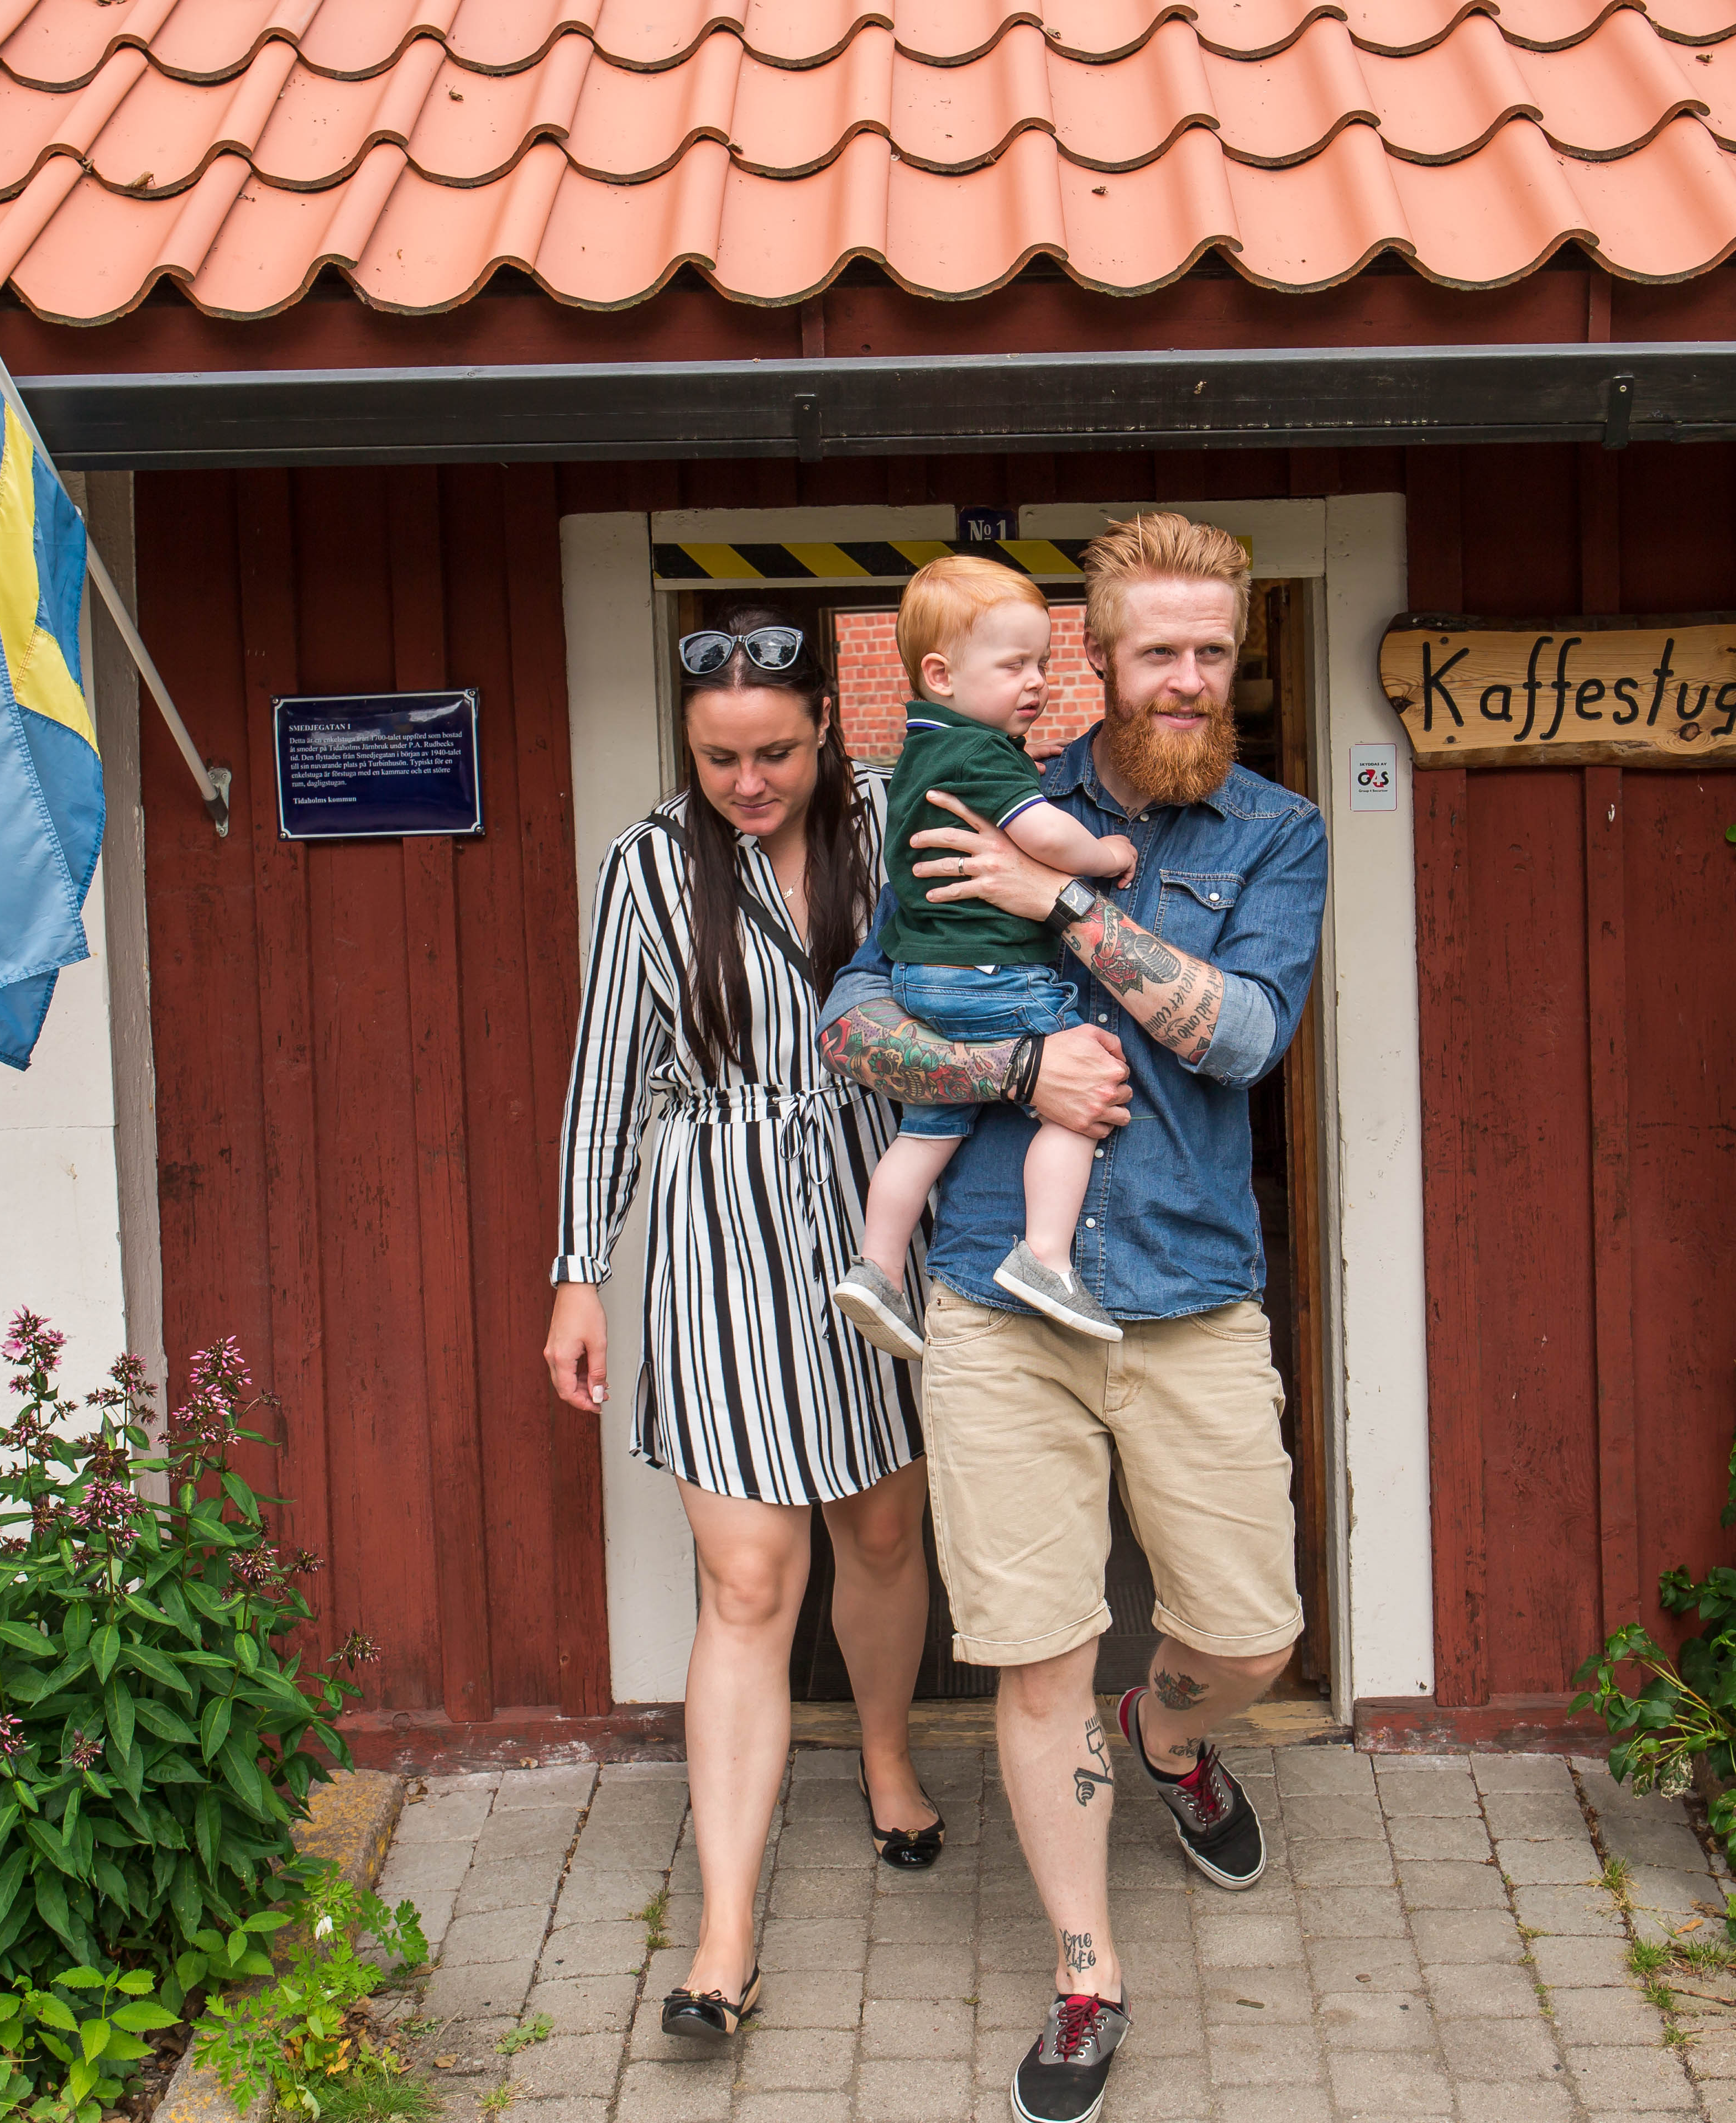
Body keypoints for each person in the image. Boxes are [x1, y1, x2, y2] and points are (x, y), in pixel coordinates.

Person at [815, 514, 1330, 2123]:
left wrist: (1057, 910)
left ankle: (1167, 1734)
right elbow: (853, 1022)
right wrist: (1011, 1070)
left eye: (1212, 653)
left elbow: (1242, 1036)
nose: (1187, 678)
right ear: (1092, 667)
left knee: (1251, 1632)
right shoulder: (963, 789)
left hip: (1186, 1292)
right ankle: (1086, 1967)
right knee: (1035, 1654)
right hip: (992, 1292)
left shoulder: (1277, 832)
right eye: (1155, 651)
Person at [545, 610, 945, 2043]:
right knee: (748, 1585)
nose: (750, 782)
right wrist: (580, 1269)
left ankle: (887, 1755)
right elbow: (608, 1076)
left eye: (775, 751)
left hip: (872, 1216)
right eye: (721, 758)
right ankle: (725, 1938)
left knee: (883, 1531)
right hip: (717, 1226)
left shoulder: (894, 824)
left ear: (829, 728)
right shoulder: (649, 867)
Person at [832, 557, 1138, 1360]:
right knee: (1086, 1087)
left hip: (920, 980)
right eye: (1014, 665)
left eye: (1043, 661)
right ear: (941, 674)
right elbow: (1043, 838)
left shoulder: (921, 753)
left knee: (928, 1129)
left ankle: (878, 1265)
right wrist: (1102, 855)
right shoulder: (984, 753)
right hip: (994, 976)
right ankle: (1043, 1256)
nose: (1037, 682)